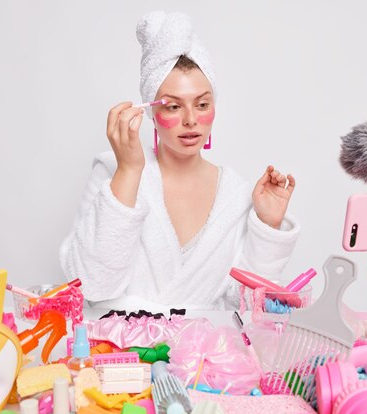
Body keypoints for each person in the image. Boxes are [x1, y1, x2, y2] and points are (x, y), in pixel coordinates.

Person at [60, 11, 300, 311]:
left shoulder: (236, 195)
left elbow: (244, 306)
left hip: (201, 354)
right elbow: (92, 285)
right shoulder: (113, 172)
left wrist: (268, 225)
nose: (190, 120)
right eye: (173, 106)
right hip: (120, 352)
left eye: (202, 104)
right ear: (150, 111)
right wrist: (129, 170)